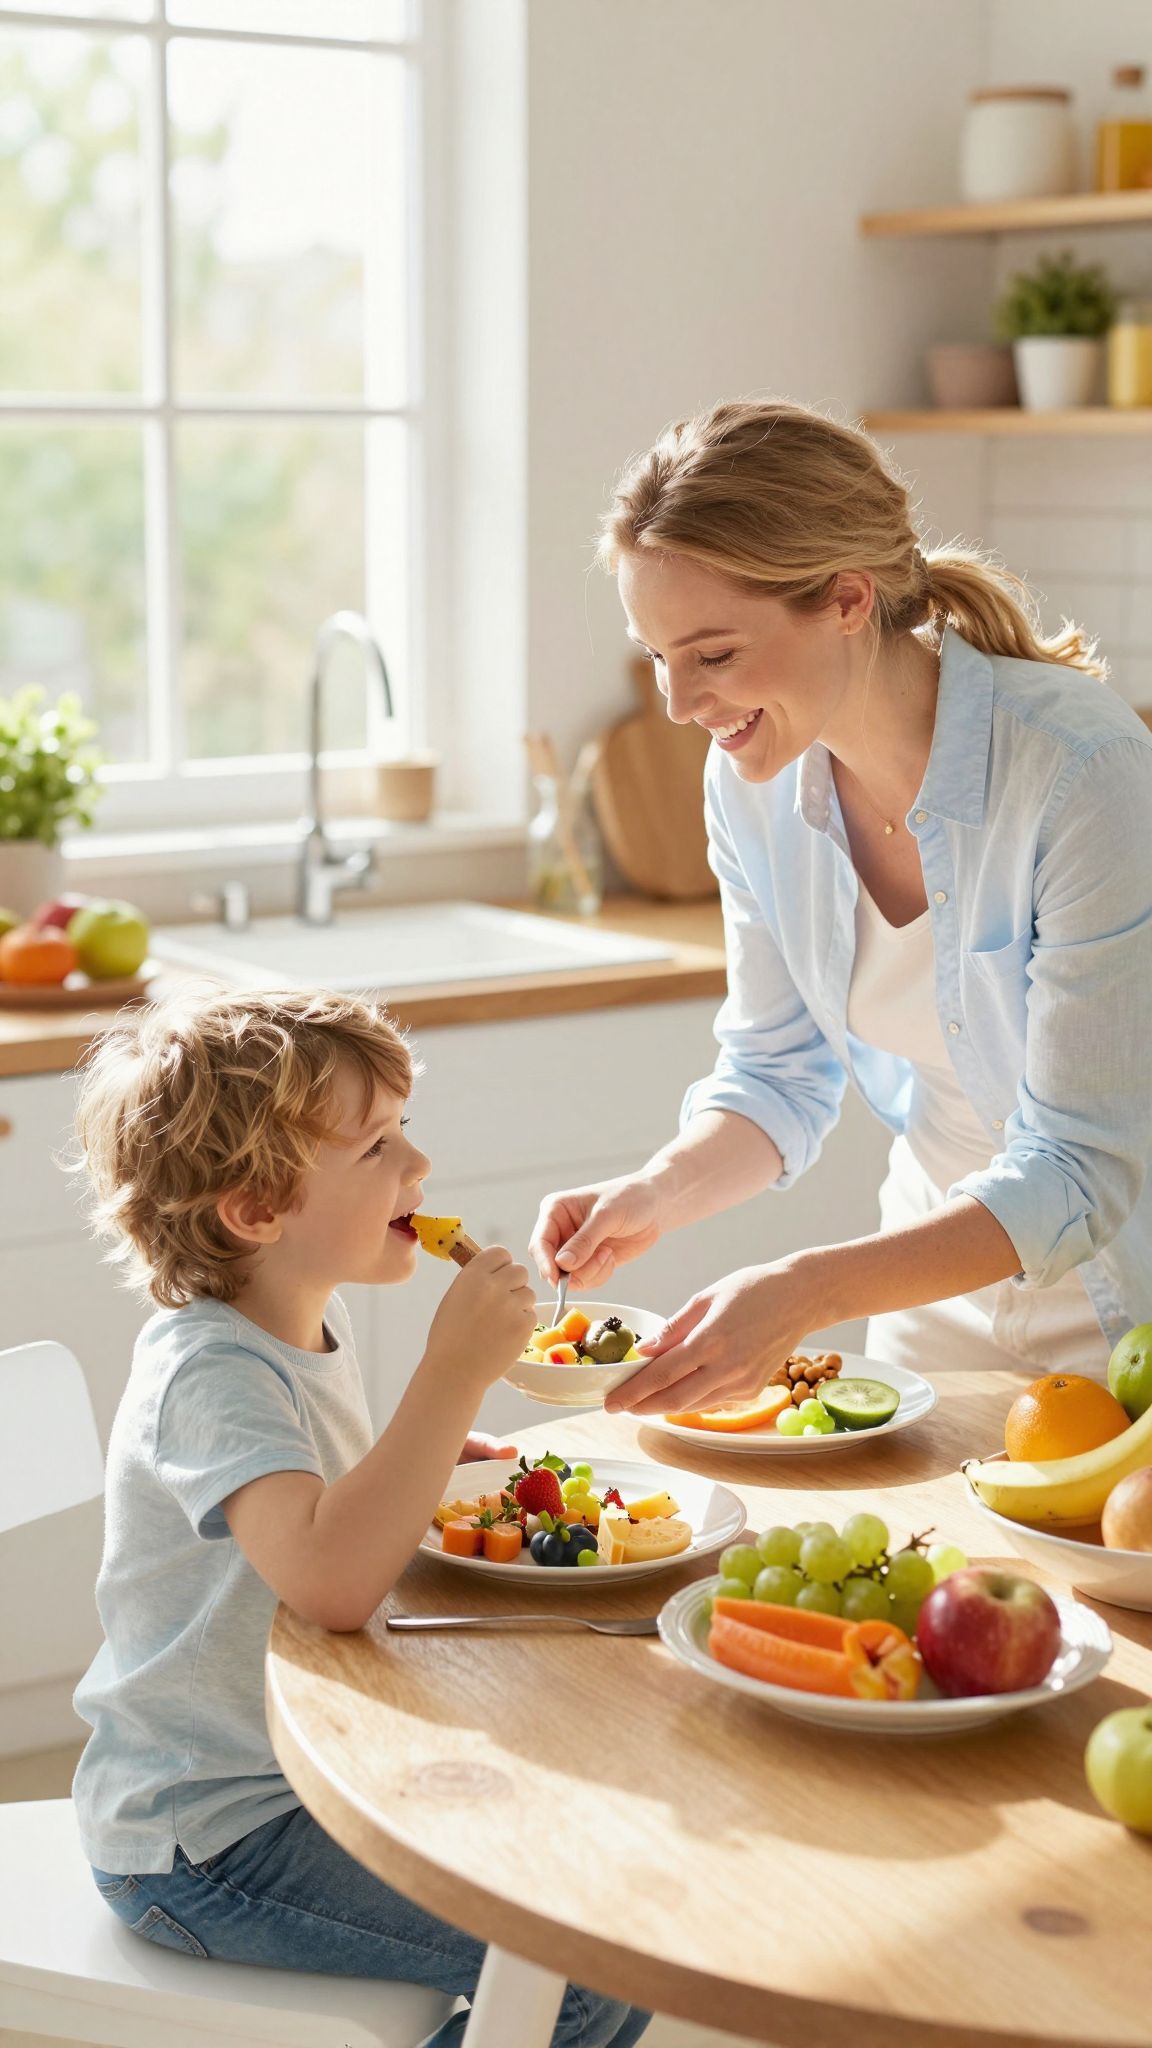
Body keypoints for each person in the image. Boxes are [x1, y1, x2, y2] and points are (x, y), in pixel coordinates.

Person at [531, 398, 1152, 1417]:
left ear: (850, 599)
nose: (681, 705)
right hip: (927, 1300)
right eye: (657, 656)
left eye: (714, 654)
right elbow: (779, 1071)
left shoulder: (1082, 772)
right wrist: (656, 1191)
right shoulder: (750, 783)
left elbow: (1080, 1167)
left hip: (1122, 1316)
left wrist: (806, 1289)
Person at [69, 987, 650, 2048]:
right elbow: (330, 1582)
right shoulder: (209, 1369)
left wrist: (431, 1465)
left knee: (605, 1907)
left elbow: (323, 1507)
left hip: (314, 1773)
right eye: (378, 1144)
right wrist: (452, 1375)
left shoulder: (301, 1320)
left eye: (406, 1129)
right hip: (208, 1840)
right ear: (255, 1208)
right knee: (582, 1978)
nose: (419, 1169)